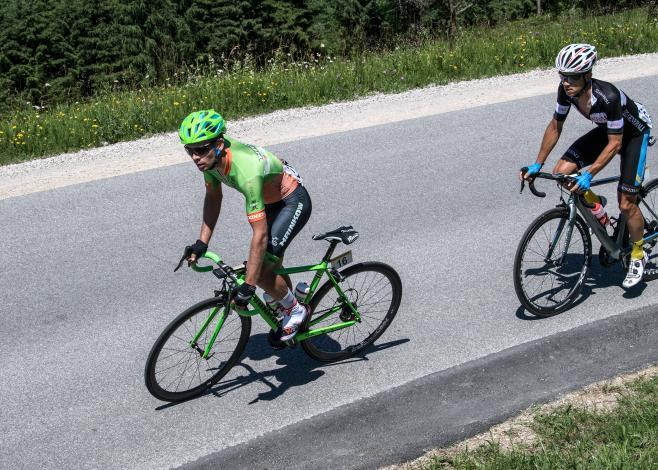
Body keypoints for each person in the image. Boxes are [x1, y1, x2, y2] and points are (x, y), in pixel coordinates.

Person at [521, 43, 653, 288]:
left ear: (587, 75)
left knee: (626, 203)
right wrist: (537, 164)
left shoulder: (608, 97)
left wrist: (589, 174)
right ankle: (598, 209)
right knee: (562, 173)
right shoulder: (566, 91)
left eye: (572, 77)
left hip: (634, 135)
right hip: (609, 132)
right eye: (562, 76)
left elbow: (615, 145)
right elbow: (555, 126)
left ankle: (638, 253)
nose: (566, 82)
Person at [179, 109, 312, 340]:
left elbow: (259, 235)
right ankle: (291, 300)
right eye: (189, 150)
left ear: (219, 144)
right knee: (267, 269)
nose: (195, 157)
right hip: (268, 199)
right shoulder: (211, 161)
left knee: (258, 273)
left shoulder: (245, 171)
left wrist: (249, 287)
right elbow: (213, 198)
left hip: (290, 201)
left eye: (200, 150)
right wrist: (202, 242)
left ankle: (296, 310)